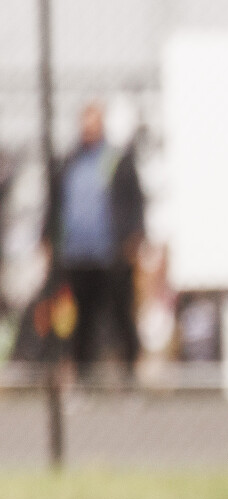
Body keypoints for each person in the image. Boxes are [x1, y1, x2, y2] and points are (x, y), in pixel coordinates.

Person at [44, 100, 146, 386]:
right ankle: (82, 379)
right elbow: (55, 206)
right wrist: (49, 240)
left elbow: (135, 202)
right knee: (80, 321)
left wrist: (133, 238)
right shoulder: (68, 162)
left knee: (121, 315)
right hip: (76, 256)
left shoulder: (117, 160)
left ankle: (130, 377)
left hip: (111, 255)